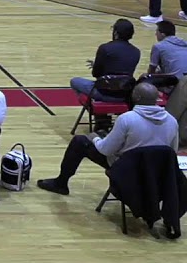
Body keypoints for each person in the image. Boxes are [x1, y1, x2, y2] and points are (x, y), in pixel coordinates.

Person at [37, 82, 179, 196]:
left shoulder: (127, 119)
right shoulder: (172, 121)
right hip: (156, 173)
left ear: (137, 98)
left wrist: (95, 138)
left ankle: (61, 183)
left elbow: (105, 150)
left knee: (80, 141)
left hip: (127, 169)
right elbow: (172, 152)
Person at [71, 19, 140, 103]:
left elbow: (96, 74)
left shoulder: (105, 48)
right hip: (125, 95)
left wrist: (96, 65)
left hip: (103, 92)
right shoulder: (136, 52)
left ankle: (95, 111)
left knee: (75, 81)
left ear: (115, 33)